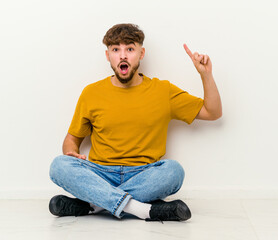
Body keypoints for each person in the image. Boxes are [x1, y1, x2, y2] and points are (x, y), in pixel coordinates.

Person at [49, 23, 222, 222]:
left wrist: (205, 74)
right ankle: (143, 210)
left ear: (141, 53)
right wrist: (71, 152)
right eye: (116, 50)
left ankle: (94, 205)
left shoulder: (162, 91)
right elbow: (72, 139)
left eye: (130, 49)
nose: (123, 56)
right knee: (59, 165)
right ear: (108, 56)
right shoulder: (91, 93)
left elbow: (213, 112)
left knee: (173, 171)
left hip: (144, 174)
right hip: (101, 173)